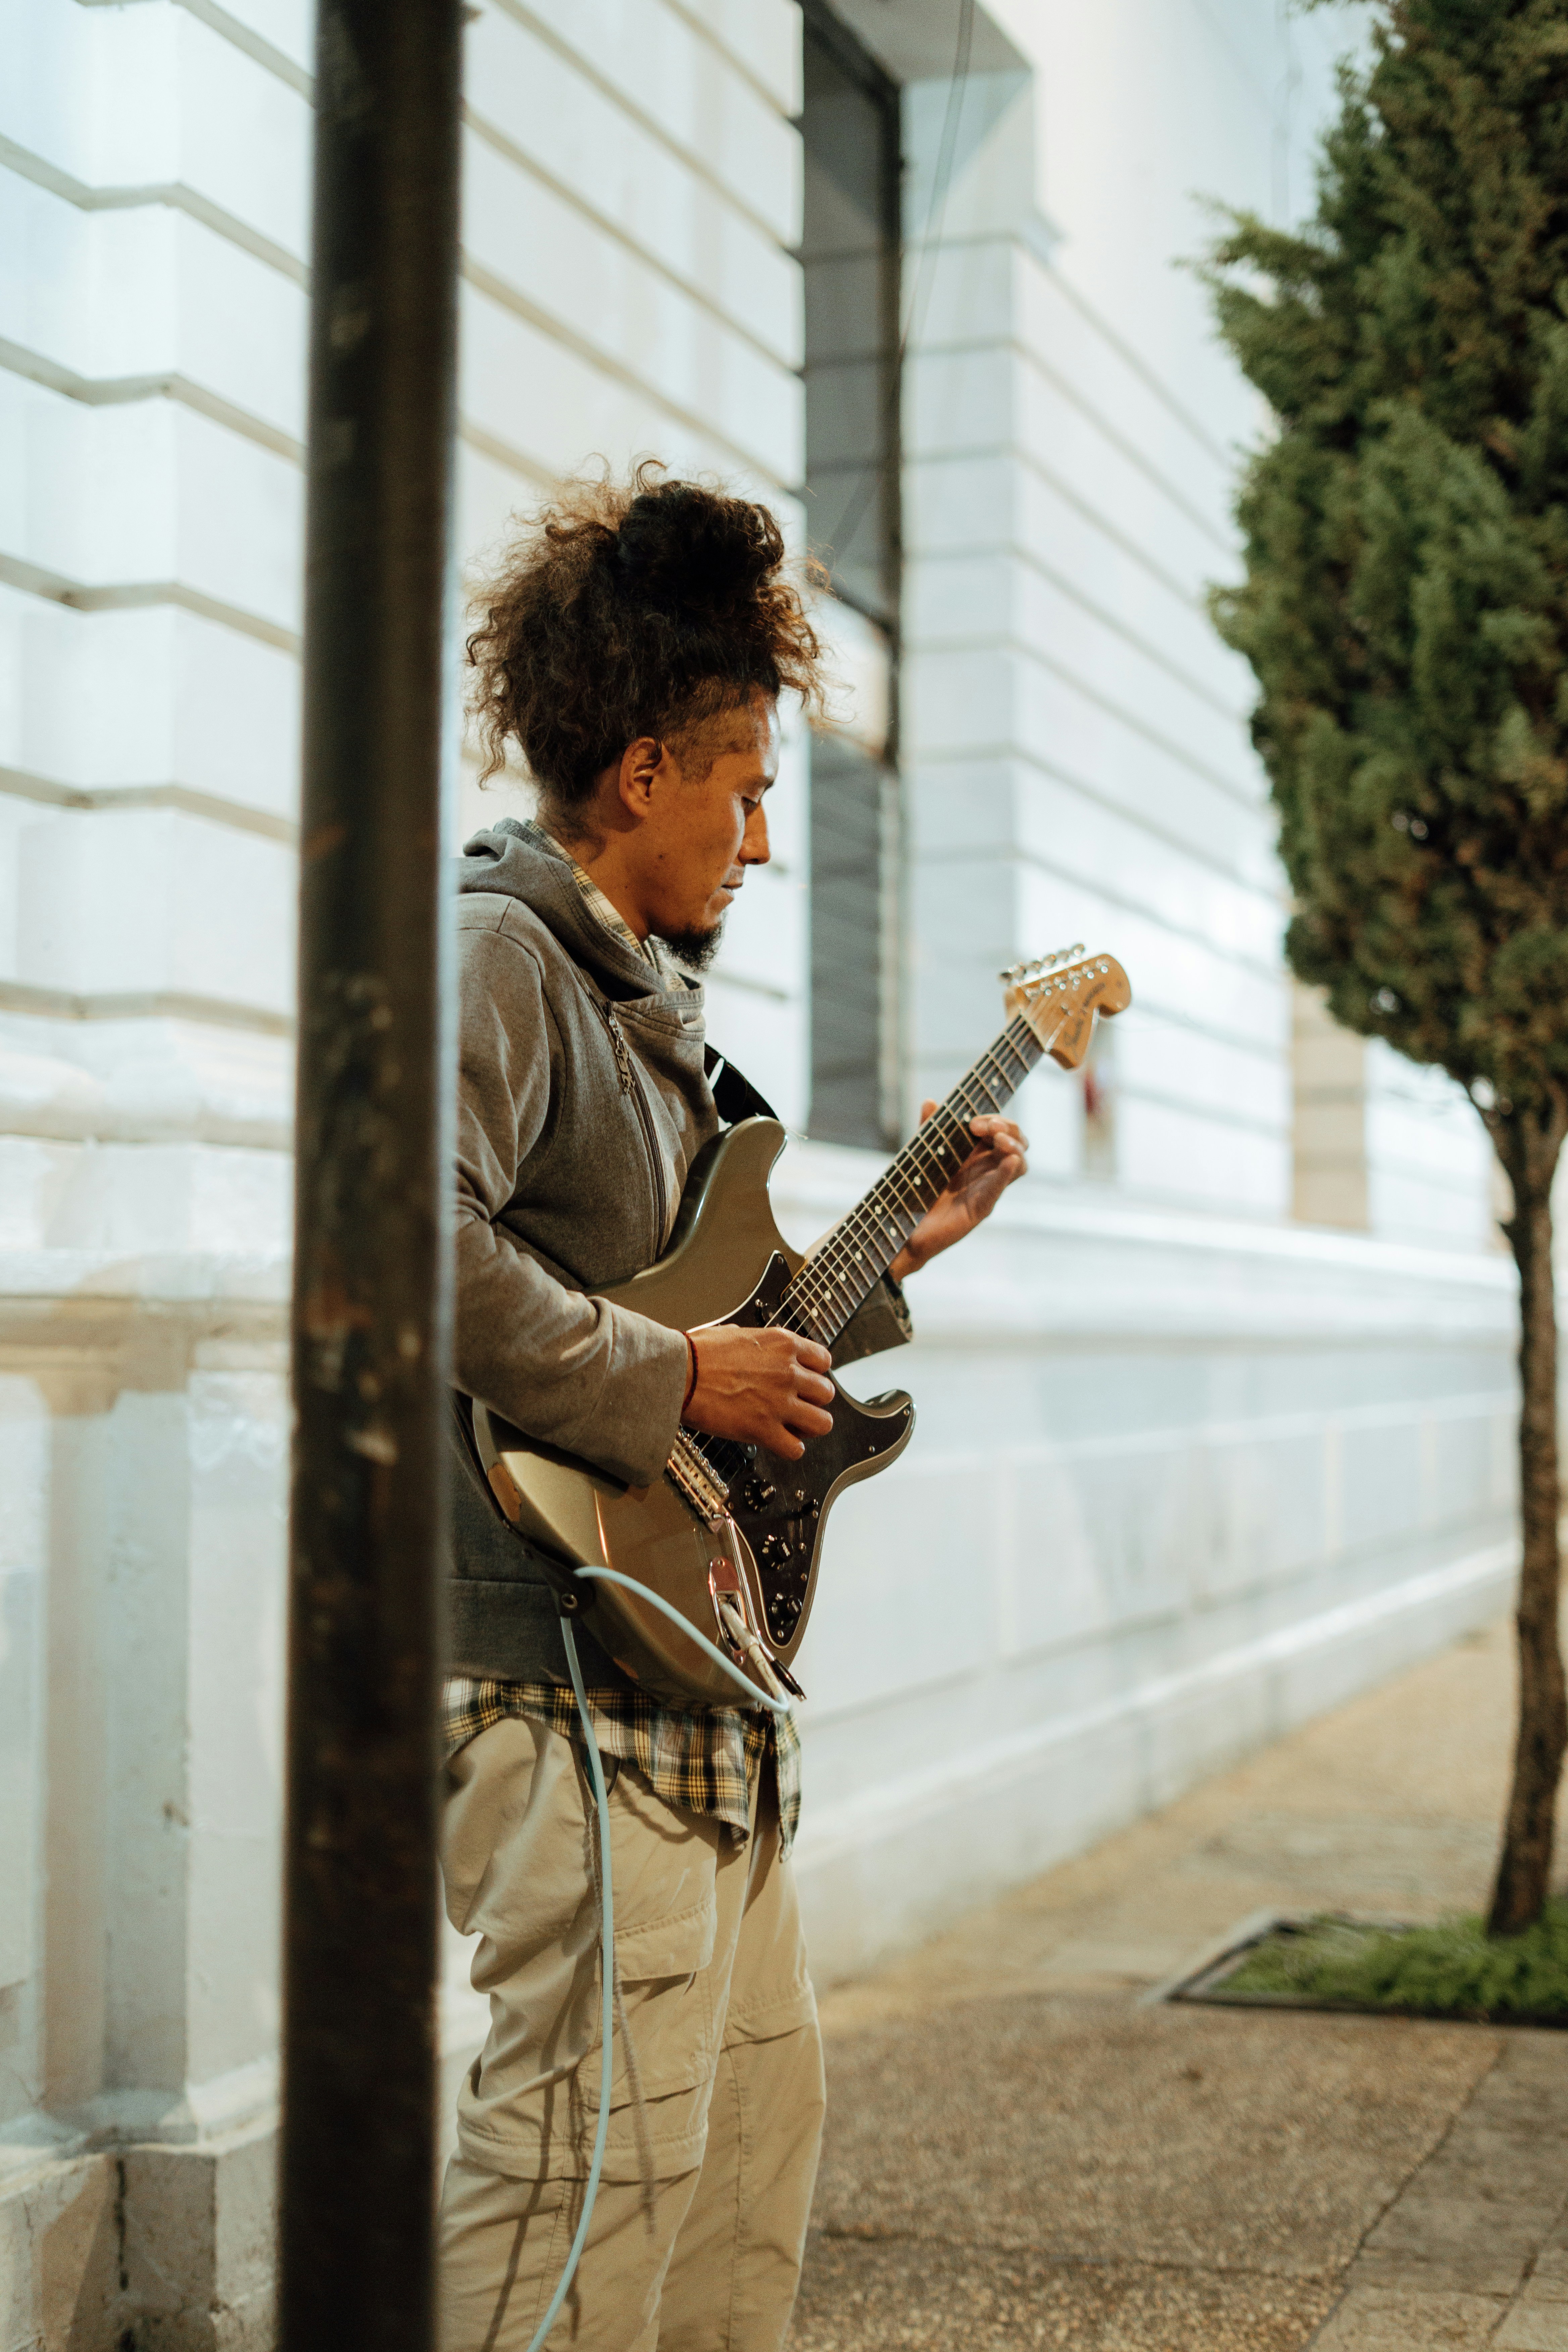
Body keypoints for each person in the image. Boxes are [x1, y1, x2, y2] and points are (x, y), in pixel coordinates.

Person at [439, 464, 1028, 2351]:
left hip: (690, 1675)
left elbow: (700, 1313)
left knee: (743, 2169)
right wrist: (674, 1372)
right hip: (559, 1672)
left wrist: (887, 1267)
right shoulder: (503, 960)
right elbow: (384, 1236)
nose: (764, 840)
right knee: (578, 2182)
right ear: (641, 774)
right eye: (748, 787)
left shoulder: (640, 1006)